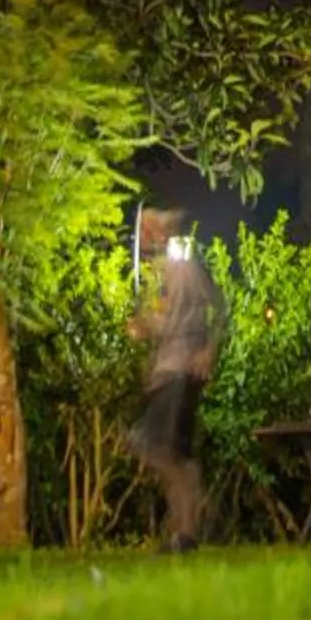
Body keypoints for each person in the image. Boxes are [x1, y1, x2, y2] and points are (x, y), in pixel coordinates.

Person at [127, 208, 223, 553]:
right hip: (167, 372)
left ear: (160, 232)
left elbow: (218, 307)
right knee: (167, 452)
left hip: (182, 371)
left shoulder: (184, 267)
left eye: (147, 229)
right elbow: (164, 321)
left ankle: (188, 526)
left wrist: (208, 351)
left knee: (164, 451)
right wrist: (146, 331)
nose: (142, 236)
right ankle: (186, 528)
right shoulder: (159, 271)